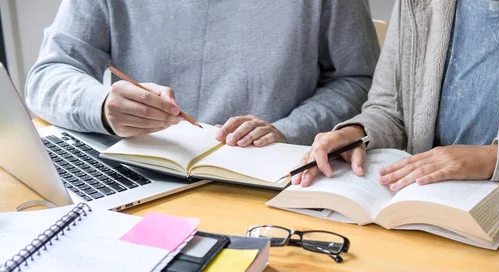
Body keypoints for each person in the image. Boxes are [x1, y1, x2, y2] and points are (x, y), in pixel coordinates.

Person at [294, 0, 499, 199]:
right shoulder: (419, 5)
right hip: (427, 213)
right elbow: (389, 110)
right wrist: (355, 134)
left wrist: (495, 160)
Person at [25, 0, 380, 147]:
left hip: (271, 180)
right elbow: (50, 74)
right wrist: (101, 105)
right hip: (141, 176)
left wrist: (287, 131)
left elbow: (358, 81)